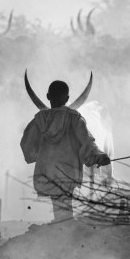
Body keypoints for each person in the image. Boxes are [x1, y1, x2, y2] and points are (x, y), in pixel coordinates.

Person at [21, 79, 111, 222]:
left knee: (58, 203)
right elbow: (86, 141)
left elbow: (27, 145)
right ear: (67, 99)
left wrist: (38, 155)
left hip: (48, 171)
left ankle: (62, 227)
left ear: (48, 96)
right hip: (68, 171)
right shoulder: (74, 118)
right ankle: (65, 229)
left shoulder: (39, 120)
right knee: (65, 202)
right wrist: (98, 156)